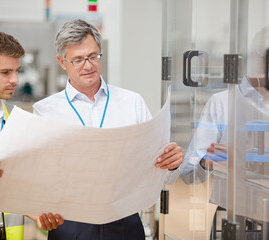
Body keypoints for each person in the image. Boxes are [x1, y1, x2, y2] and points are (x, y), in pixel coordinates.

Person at [33, 19, 183, 240]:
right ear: (62, 62)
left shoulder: (131, 103)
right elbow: (39, 178)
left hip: (124, 222)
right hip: (70, 225)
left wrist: (171, 165)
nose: (88, 65)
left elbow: (161, 175)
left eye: (93, 56)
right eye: (77, 59)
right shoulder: (46, 112)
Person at [180, 23, 269, 238]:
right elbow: (188, 173)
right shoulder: (223, 102)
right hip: (237, 219)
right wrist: (206, 161)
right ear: (258, 57)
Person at [0, 30, 64, 240]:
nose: (15, 79)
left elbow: (11, 185)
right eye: (5, 72)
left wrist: (34, 212)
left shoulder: (15, 119)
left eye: (17, 70)